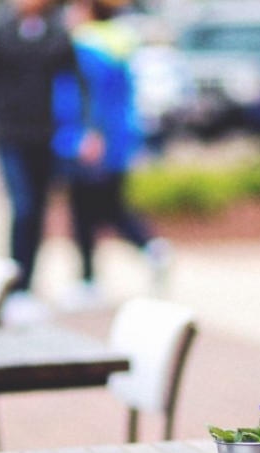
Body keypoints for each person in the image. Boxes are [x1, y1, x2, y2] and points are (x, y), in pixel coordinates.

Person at [0, 0, 93, 323]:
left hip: (45, 136)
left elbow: (77, 82)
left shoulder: (57, 32)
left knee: (40, 209)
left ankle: (28, 285)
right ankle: (15, 286)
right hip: (8, 134)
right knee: (24, 206)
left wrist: (87, 130)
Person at [52, 0, 171, 309]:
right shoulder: (121, 41)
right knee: (112, 207)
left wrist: (86, 135)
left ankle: (88, 281)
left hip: (90, 142)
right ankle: (152, 249)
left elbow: (82, 96)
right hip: (118, 140)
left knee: (84, 214)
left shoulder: (84, 47)